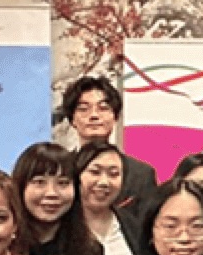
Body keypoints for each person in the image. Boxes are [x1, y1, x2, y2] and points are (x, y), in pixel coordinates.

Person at [62, 73, 159, 210]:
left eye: (103, 108)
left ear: (115, 117)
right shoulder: (61, 167)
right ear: (72, 120)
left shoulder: (141, 174)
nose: (94, 115)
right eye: (83, 109)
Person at [76, 139, 140, 255]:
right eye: (95, 172)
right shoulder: (61, 228)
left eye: (114, 174)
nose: (104, 182)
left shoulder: (133, 226)